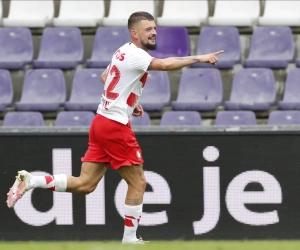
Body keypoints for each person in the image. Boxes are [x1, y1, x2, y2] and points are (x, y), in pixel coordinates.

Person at [6, 11, 223, 244]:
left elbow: (104, 77)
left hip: (101, 121)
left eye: (154, 28)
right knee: (138, 182)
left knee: (85, 184)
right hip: (115, 126)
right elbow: (164, 64)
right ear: (134, 33)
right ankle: (130, 239)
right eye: (148, 29)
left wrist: (130, 100)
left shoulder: (122, 50)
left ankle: (32, 181)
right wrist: (200, 58)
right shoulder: (137, 55)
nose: (153, 32)